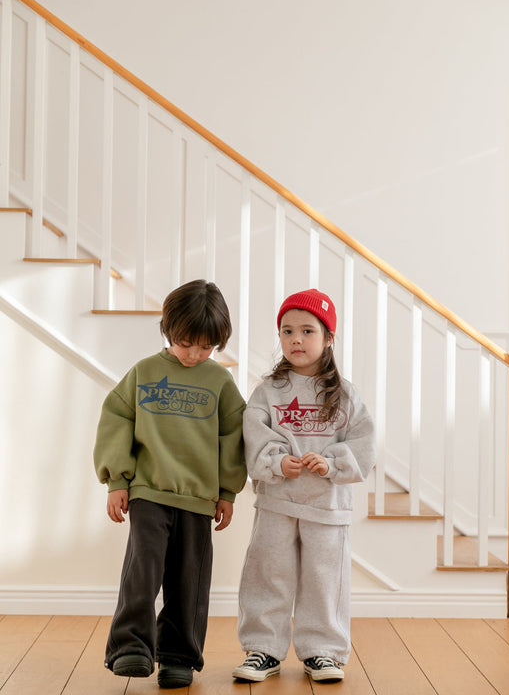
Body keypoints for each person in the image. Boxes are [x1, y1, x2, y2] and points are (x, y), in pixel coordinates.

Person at [94, 279, 247, 689]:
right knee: (142, 570)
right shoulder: (144, 372)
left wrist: (228, 492)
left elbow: (233, 437)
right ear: (167, 330)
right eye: (185, 343)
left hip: (199, 498)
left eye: (206, 347)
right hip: (148, 492)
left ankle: (179, 656)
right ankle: (131, 648)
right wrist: (116, 480)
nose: (194, 354)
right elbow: (116, 419)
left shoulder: (220, 382)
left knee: (189, 581)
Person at [232, 288, 376, 683]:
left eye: (307, 331)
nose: (296, 339)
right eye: (287, 331)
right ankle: (263, 649)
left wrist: (331, 463)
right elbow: (254, 436)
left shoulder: (346, 394)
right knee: (267, 575)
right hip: (277, 504)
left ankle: (323, 653)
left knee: (325, 580)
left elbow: (363, 444)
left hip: (328, 507)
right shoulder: (267, 391)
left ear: (328, 338)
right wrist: (277, 461)